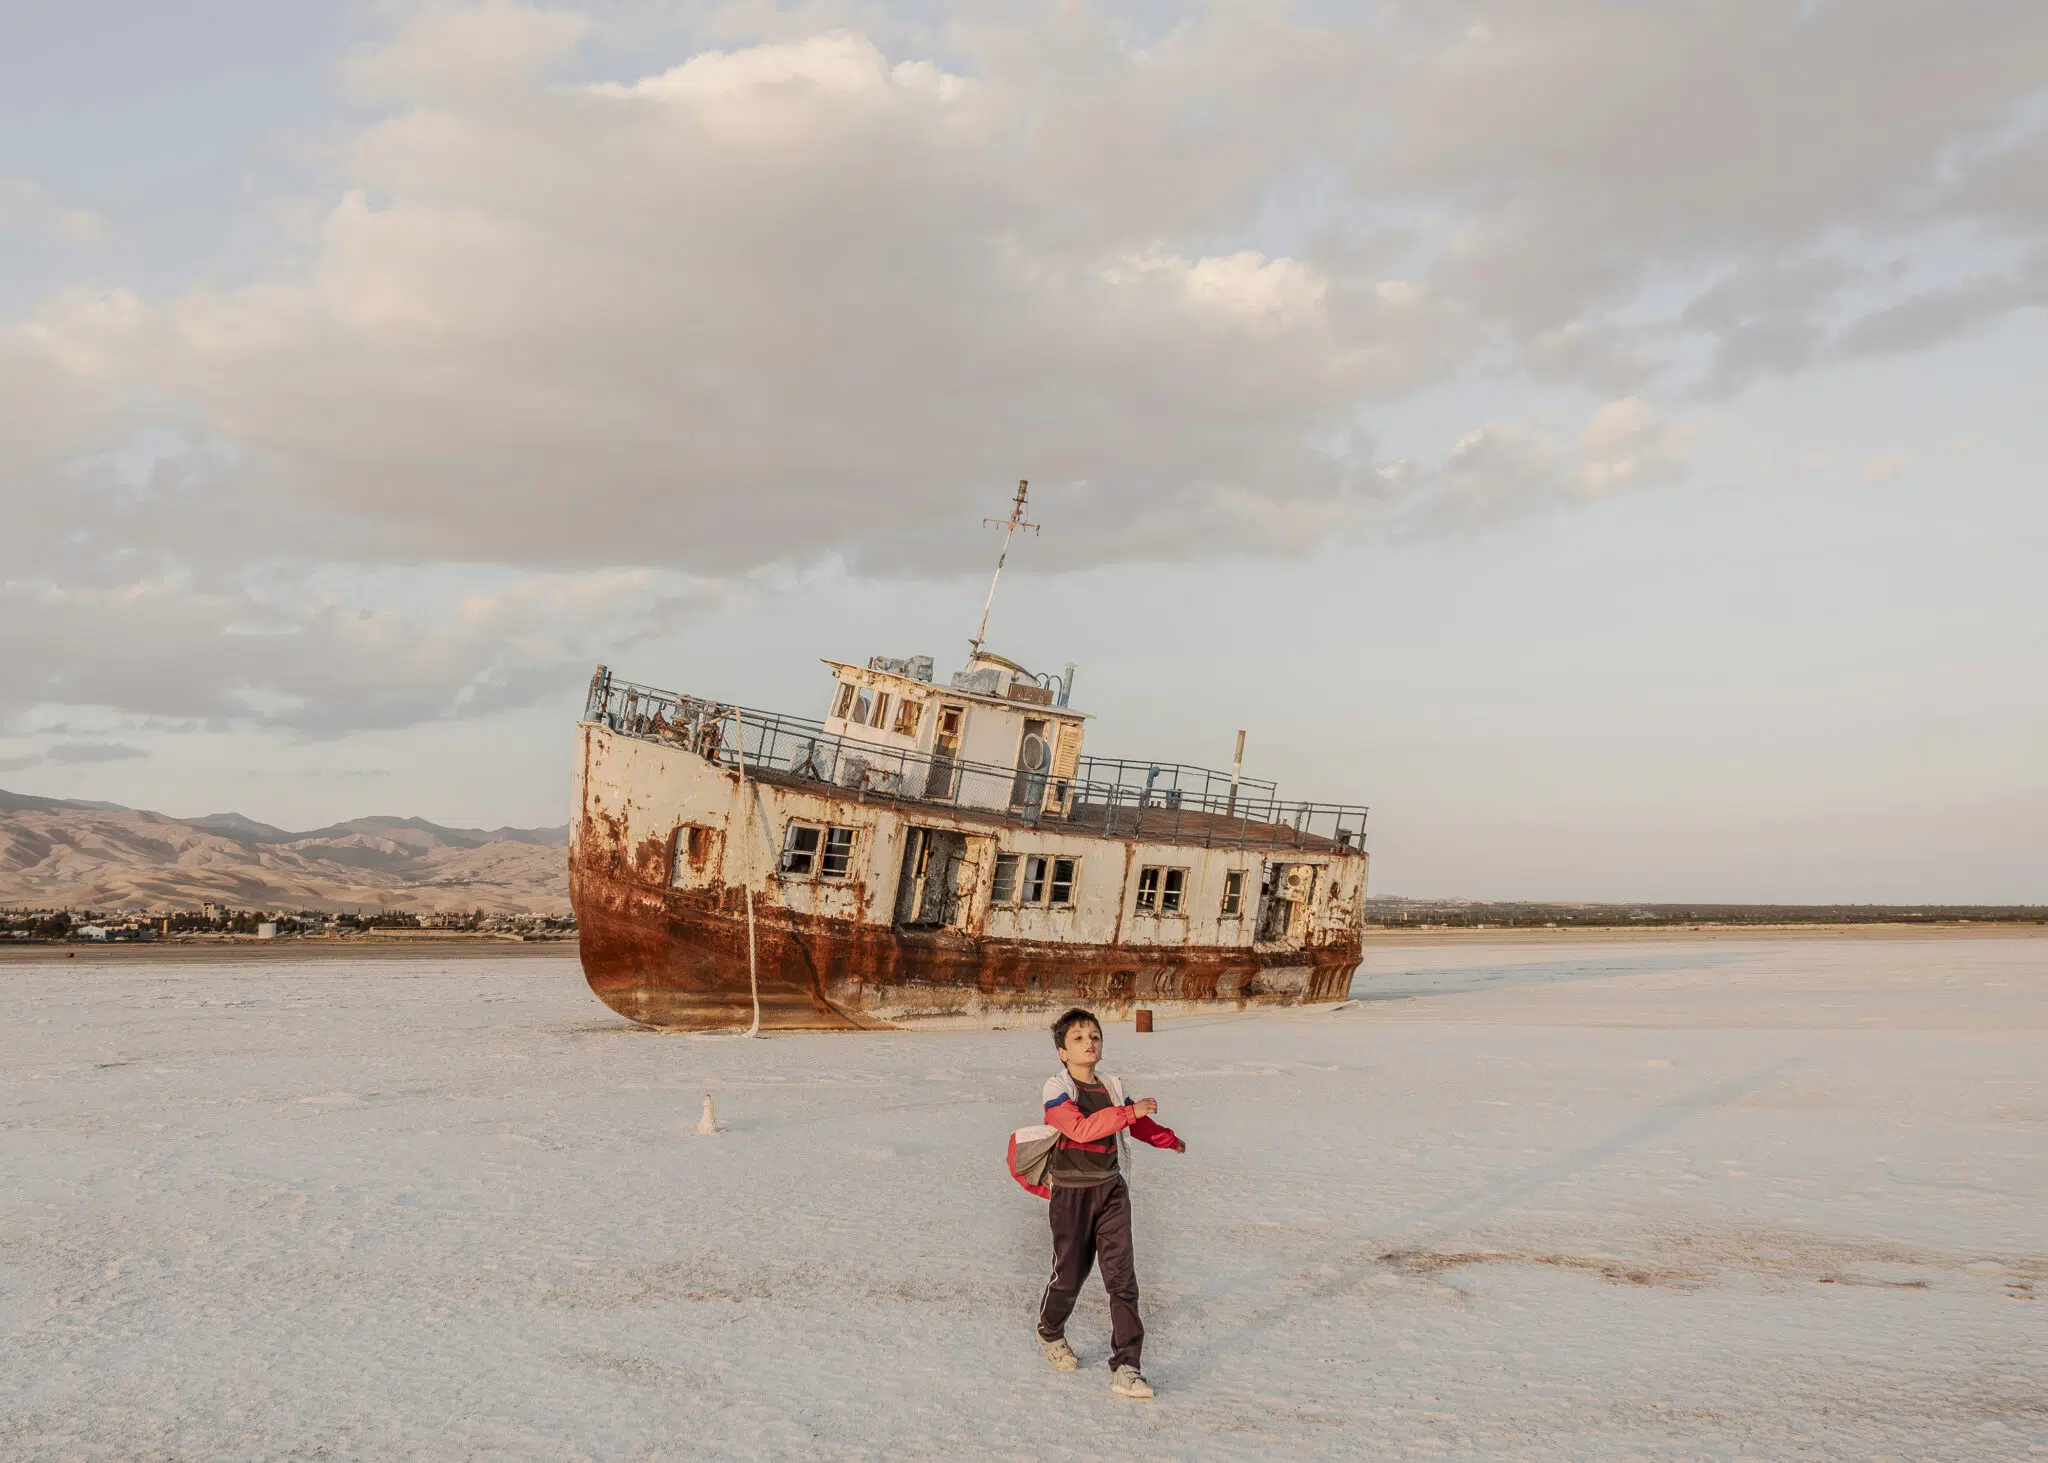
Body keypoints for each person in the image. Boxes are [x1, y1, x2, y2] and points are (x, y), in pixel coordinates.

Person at [1034, 1006, 1185, 1400]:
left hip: (1111, 1191)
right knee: (1069, 1274)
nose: (1089, 1043)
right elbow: (1080, 1129)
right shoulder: (1057, 1089)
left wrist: (1169, 1139)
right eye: (1079, 1038)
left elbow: (1139, 1125)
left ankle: (1127, 1366)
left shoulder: (1112, 1087)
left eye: (1095, 1036)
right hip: (1071, 1194)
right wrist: (1128, 1112)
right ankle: (1050, 1331)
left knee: (1122, 1280)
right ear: (1062, 1052)